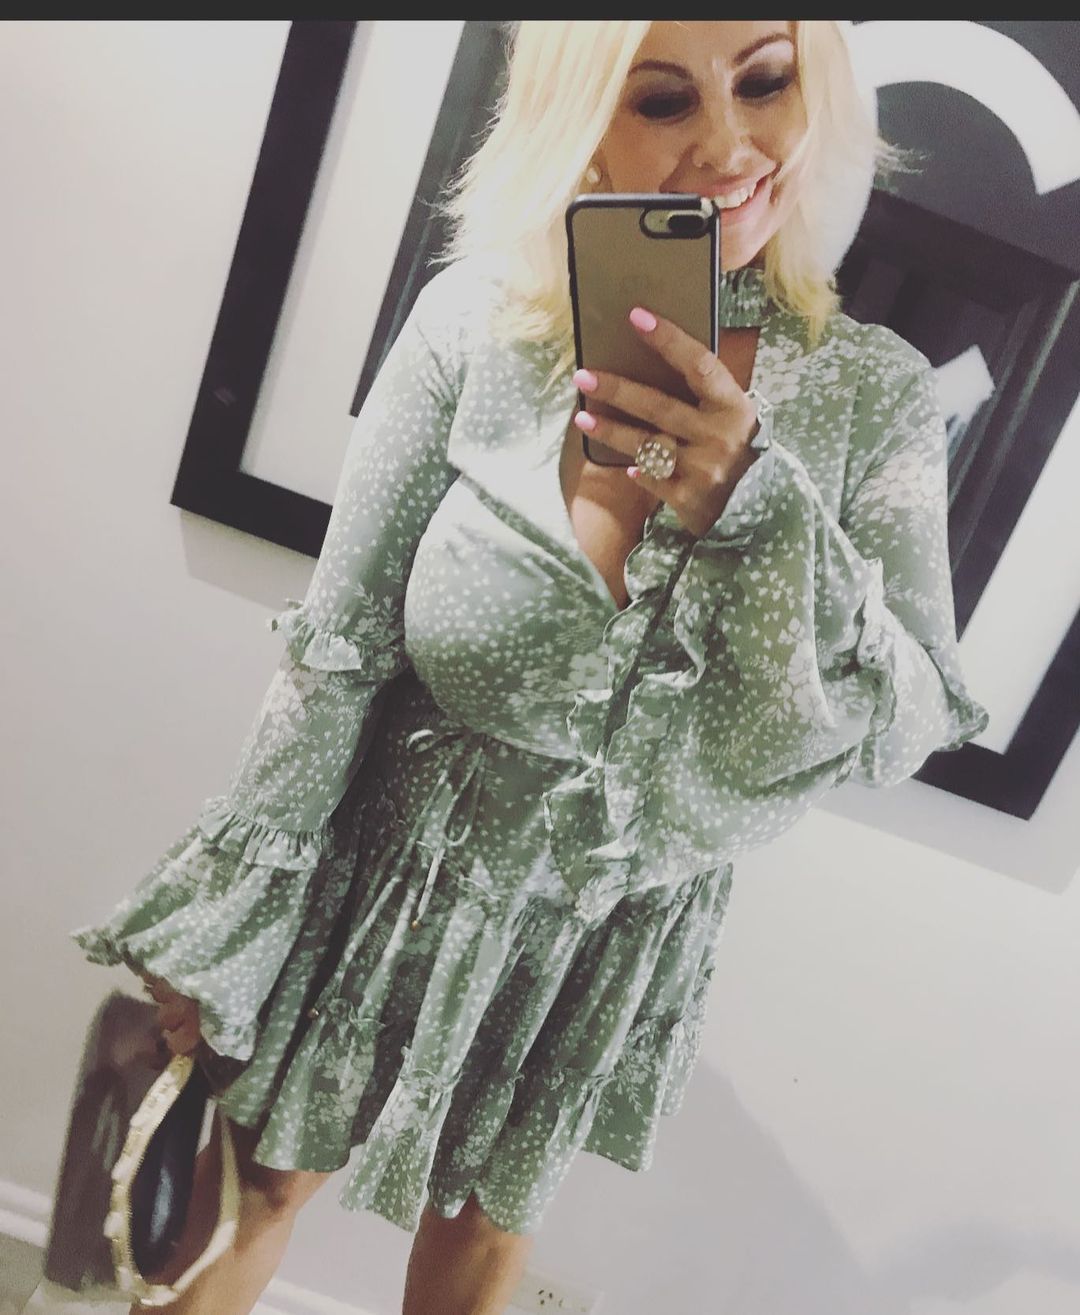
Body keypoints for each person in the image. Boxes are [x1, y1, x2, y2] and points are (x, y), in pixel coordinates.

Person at [70, 19, 989, 1315]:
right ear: (584, 125)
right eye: (662, 99)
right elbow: (341, 646)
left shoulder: (872, 398)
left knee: (485, 1238)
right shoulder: (478, 325)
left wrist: (756, 506)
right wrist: (230, 919)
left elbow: (906, 724)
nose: (730, 143)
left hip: (611, 924)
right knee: (256, 1188)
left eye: (767, 81)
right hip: (388, 871)